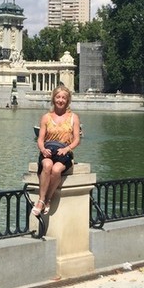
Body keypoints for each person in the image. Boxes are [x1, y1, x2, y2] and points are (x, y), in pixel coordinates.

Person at [30, 86, 81, 234]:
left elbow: (77, 140)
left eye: (63, 98)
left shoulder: (73, 118)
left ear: (67, 100)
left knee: (56, 169)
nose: (60, 100)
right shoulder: (46, 117)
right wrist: (42, 149)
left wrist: (67, 148)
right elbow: (40, 139)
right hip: (48, 151)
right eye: (58, 97)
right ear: (54, 98)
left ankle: (48, 199)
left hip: (64, 153)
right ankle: (41, 200)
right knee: (47, 165)